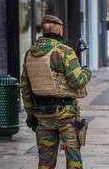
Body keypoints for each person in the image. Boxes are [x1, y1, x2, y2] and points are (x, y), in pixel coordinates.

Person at [21, 15, 92, 169]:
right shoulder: (64, 51)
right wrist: (86, 71)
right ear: (60, 30)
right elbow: (77, 81)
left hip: (42, 116)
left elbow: (25, 89)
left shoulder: (29, 54)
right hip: (65, 116)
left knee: (45, 162)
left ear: (42, 31)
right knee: (73, 160)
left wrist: (30, 114)